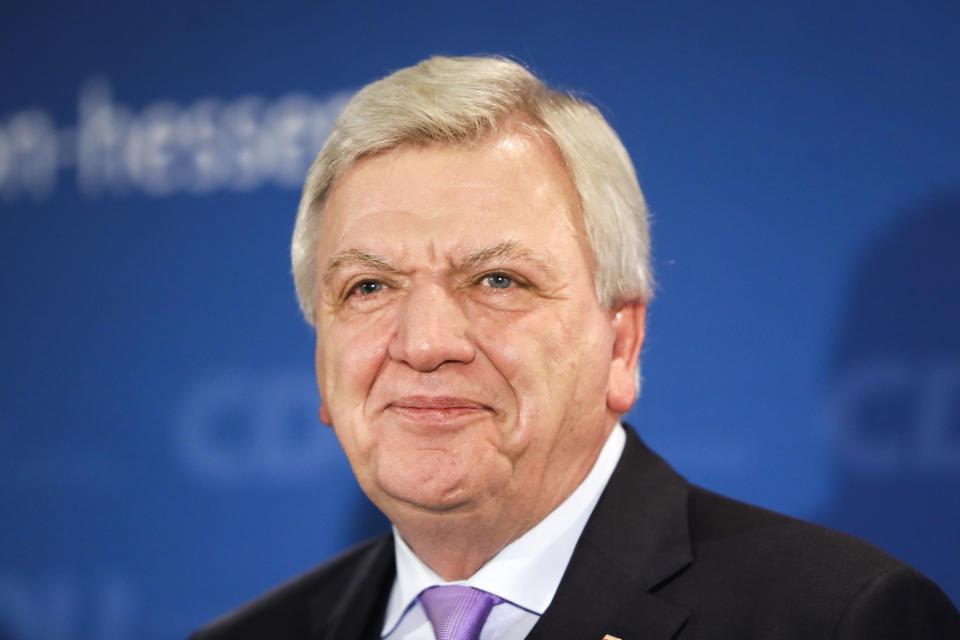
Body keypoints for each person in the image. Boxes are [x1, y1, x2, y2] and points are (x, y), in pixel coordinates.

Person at [189, 56, 960, 639]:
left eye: (496, 279)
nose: (423, 343)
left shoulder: (837, 619)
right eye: (367, 288)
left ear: (621, 341)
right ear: (324, 365)